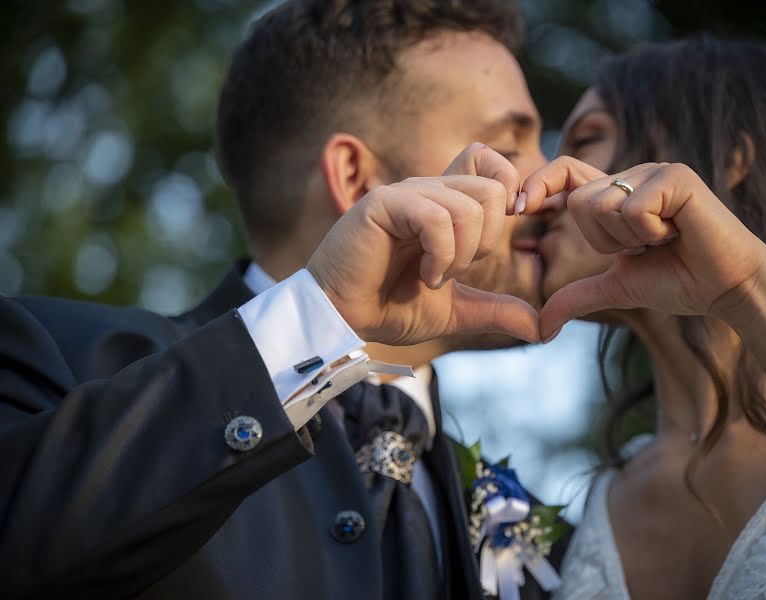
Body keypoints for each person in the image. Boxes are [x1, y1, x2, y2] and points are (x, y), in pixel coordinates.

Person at [0, 1, 567, 598]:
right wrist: (318, 320)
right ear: (357, 177)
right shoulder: (55, 355)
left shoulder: (527, 526)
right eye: (509, 146)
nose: (549, 184)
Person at [514, 37, 766, 598]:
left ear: (729, 163)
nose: (545, 191)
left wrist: (747, 286)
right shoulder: (583, 505)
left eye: (588, 140)